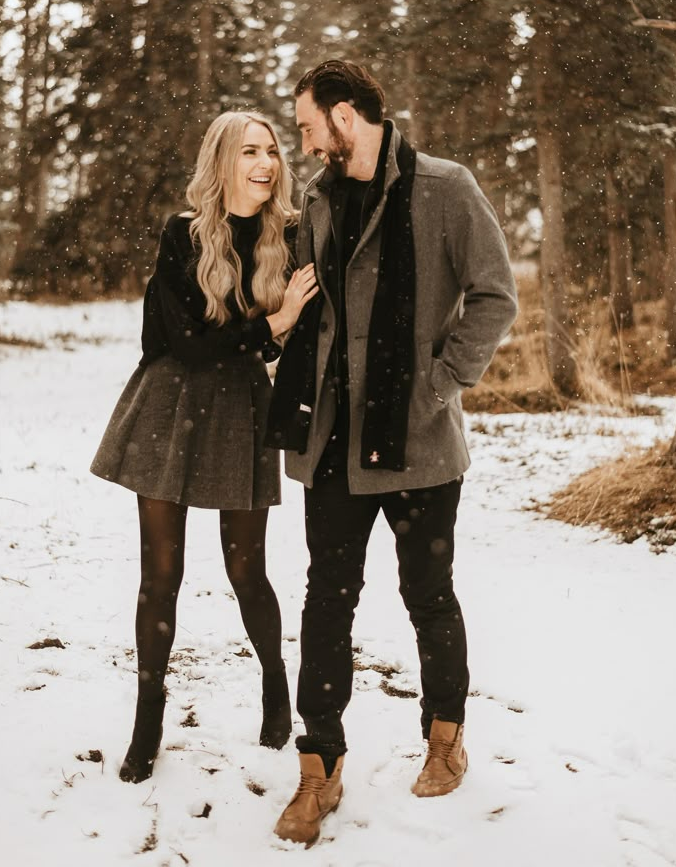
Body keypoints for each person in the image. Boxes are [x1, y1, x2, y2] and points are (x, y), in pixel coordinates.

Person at [266, 61, 518, 846]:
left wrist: (439, 384)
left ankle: (445, 735)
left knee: (428, 591)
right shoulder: (313, 200)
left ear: (347, 117)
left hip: (418, 442)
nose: (303, 144)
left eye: (308, 126)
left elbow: (495, 294)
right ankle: (320, 764)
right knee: (326, 597)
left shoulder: (445, 187)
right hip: (334, 441)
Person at [90, 111, 318, 784]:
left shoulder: (293, 237)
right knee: (161, 576)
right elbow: (184, 344)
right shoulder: (181, 234)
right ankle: (148, 717)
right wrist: (271, 325)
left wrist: (275, 339)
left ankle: (277, 686)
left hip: (244, 413)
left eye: (272, 150)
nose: (267, 162)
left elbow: (300, 341)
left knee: (247, 571)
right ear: (222, 161)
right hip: (170, 406)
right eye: (250, 150)